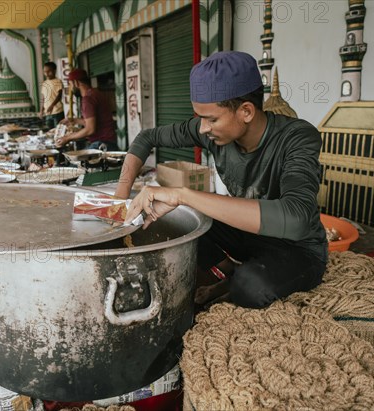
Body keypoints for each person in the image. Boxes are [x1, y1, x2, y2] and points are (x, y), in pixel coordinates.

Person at [117, 51, 328, 309]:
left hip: (297, 249)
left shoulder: (297, 137)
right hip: (247, 234)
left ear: (246, 111)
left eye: (212, 119)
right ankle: (230, 270)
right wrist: (118, 201)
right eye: (200, 118)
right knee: (180, 216)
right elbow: (146, 138)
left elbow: (296, 218)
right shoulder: (212, 132)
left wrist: (181, 193)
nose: (203, 128)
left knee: (250, 287)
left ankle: (236, 279)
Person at [55, 68, 118, 151]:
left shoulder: (88, 99)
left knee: (76, 162)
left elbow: (90, 129)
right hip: (109, 141)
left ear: (76, 82)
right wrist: (74, 120)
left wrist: (67, 138)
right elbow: (93, 122)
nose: (71, 89)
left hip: (102, 144)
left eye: (70, 84)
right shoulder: (95, 93)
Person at [39, 61, 65, 129]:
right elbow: (43, 97)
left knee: (58, 131)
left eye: (49, 71)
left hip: (57, 112)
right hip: (48, 113)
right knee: (50, 132)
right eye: (45, 72)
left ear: (54, 70)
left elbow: (59, 96)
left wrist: (52, 105)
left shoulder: (58, 81)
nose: (47, 74)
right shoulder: (44, 83)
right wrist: (41, 110)